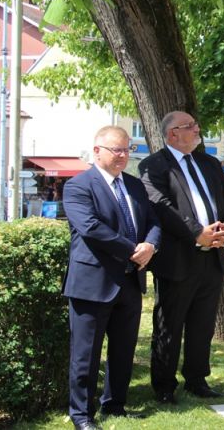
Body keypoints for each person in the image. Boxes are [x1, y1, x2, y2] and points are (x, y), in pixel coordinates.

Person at [62, 126, 161, 430]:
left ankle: (115, 405)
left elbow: (153, 221)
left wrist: (151, 245)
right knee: (86, 355)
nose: (122, 155)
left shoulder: (134, 185)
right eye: (116, 150)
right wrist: (133, 250)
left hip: (129, 282)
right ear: (97, 151)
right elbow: (91, 228)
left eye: (127, 149)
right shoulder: (78, 186)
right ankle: (82, 415)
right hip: (92, 284)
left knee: (123, 351)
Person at [139, 111, 224, 403]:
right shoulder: (154, 165)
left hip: (212, 258)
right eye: (191, 126)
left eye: (196, 125)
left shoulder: (209, 163)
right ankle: (164, 386)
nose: (197, 130)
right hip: (178, 260)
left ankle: (196, 379)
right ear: (173, 133)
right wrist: (197, 233)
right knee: (169, 325)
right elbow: (161, 206)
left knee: (202, 325)